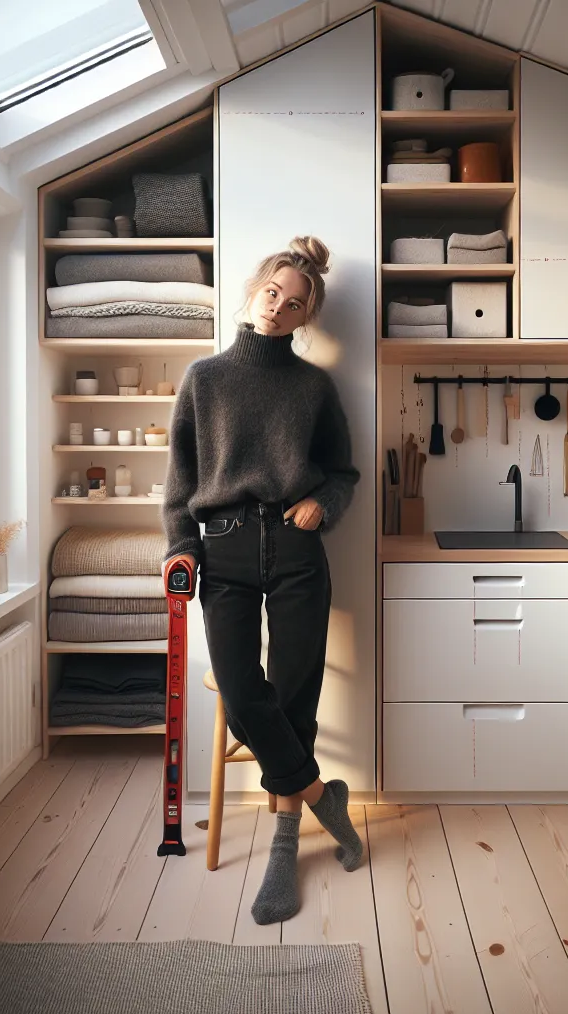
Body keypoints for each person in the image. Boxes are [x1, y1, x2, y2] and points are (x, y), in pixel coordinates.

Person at [162, 236, 361, 924]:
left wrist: (325, 505)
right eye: (273, 293)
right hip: (224, 555)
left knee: (296, 697)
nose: (280, 308)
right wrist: (178, 550)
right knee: (247, 695)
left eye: (296, 303)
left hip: (299, 550)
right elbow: (180, 486)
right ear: (253, 291)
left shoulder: (314, 387)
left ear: (308, 317)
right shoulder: (204, 379)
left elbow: (343, 473)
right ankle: (320, 798)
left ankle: (283, 847)